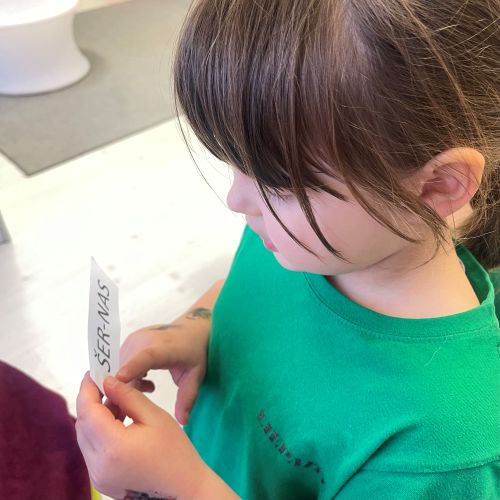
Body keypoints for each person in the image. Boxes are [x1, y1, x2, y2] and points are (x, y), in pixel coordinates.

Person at [76, 0, 500, 498]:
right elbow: (245, 288)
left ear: (438, 186)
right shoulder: (299, 242)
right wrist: (198, 328)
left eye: (277, 182)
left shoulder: (443, 447)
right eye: (235, 162)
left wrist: (182, 484)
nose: (237, 200)